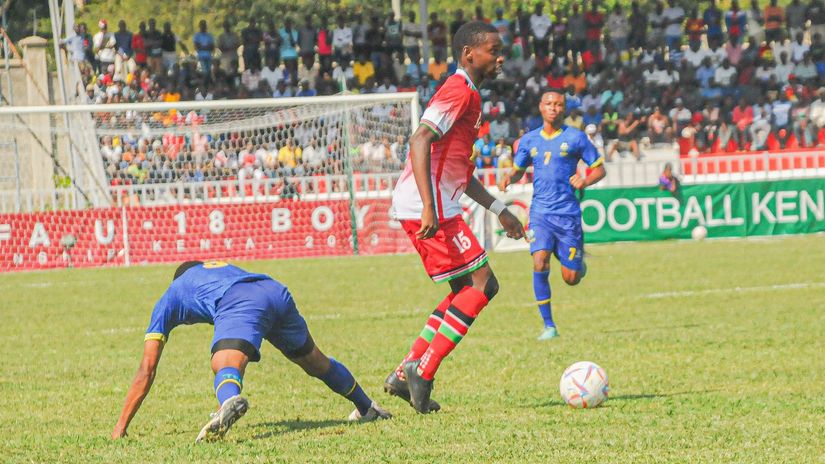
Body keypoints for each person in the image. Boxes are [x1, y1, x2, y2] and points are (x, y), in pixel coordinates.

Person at [385, 21, 525, 414]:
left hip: (438, 203)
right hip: (428, 208)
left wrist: (499, 208)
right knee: (483, 285)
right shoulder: (458, 89)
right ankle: (422, 371)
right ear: (469, 54)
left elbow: (458, 171)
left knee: (467, 288)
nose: (500, 58)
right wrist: (429, 205)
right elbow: (419, 140)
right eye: (493, 51)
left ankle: (403, 373)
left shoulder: (471, 96)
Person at [111, 261, 391, 442]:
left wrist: (120, 427)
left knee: (224, 361)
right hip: (273, 290)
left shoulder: (170, 296)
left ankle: (228, 402)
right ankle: (367, 407)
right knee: (315, 361)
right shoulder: (218, 270)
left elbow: (146, 369)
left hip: (240, 300)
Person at [498, 90, 606, 341]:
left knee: (571, 278)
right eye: (549, 104)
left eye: (558, 104)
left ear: (564, 109)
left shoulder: (576, 138)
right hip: (540, 213)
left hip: (567, 214)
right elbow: (518, 170)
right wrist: (509, 179)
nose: (553, 108)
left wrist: (585, 180)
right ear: (540, 107)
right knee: (539, 263)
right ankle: (549, 326)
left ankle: (575, 264)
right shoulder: (529, 140)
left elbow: (600, 169)